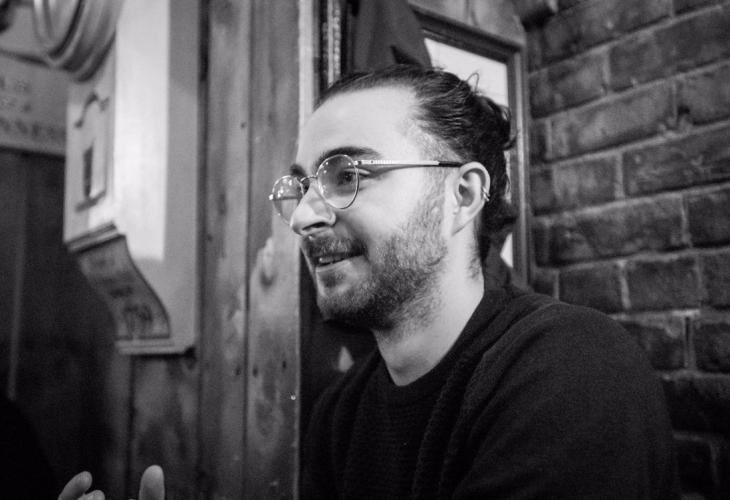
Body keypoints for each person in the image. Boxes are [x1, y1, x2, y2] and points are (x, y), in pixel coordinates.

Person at [60, 64, 679, 499]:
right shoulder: (343, 415)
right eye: (302, 185)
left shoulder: (572, 372)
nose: (303, 216)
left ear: (462, 196)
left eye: (347, 174)